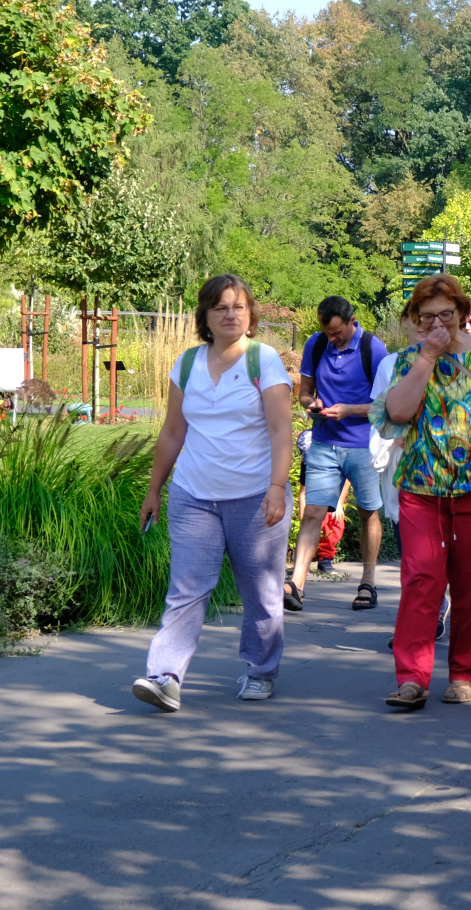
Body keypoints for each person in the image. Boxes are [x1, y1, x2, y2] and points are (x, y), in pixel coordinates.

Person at [132, 275, 295, 712]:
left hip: (255, 496)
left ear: (250, 314)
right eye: (220, 307)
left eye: (238, 307)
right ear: (205, 315)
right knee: (186, 588)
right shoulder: (187, 364)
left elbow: (281, 431)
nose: (230, 314)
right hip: (194, 496)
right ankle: (165, 676)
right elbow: (172, 432)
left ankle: (260, 670)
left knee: (261, 591)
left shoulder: (263, 360)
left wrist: (277, 488)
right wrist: (154, 489)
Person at [373, 275, 471, 708]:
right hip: (422, 486)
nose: (438, 323)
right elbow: (397, 413)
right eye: (427, 317)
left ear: (462, 313)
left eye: (446, 314)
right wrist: (427, 356)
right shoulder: (409, 360)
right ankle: (412, 678)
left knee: (469, 585)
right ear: (415, 320)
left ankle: (462, 672)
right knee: (421, 581)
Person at [291, 296, 389, 613]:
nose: (332, 339)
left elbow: (388, 403)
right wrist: (312, 404)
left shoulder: (373, 348)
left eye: (338, 333)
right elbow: (304, 393)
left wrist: (350, 410)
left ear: (351, 321)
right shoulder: (316, 344)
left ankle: (368, 583)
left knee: (367, 512)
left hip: (363, 445)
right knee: (313, 512)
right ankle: (296, 584)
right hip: (323, 442)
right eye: (327, 333)